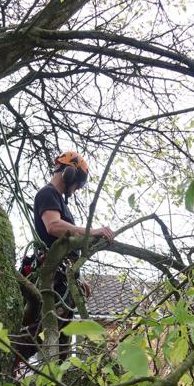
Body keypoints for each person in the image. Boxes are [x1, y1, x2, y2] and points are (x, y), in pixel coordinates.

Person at [17, 152, 114, 362]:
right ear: (69, 173)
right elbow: (53, 226)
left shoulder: (59, 201)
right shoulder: (47, 194)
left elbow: (66, 248)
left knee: (62, 340)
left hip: (64, 276)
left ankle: (61, 382)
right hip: (53, 276)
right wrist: (92, 231)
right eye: (77, 184)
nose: (76, 189)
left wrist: (77, 278)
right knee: (41, 331)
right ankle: (11, 358)